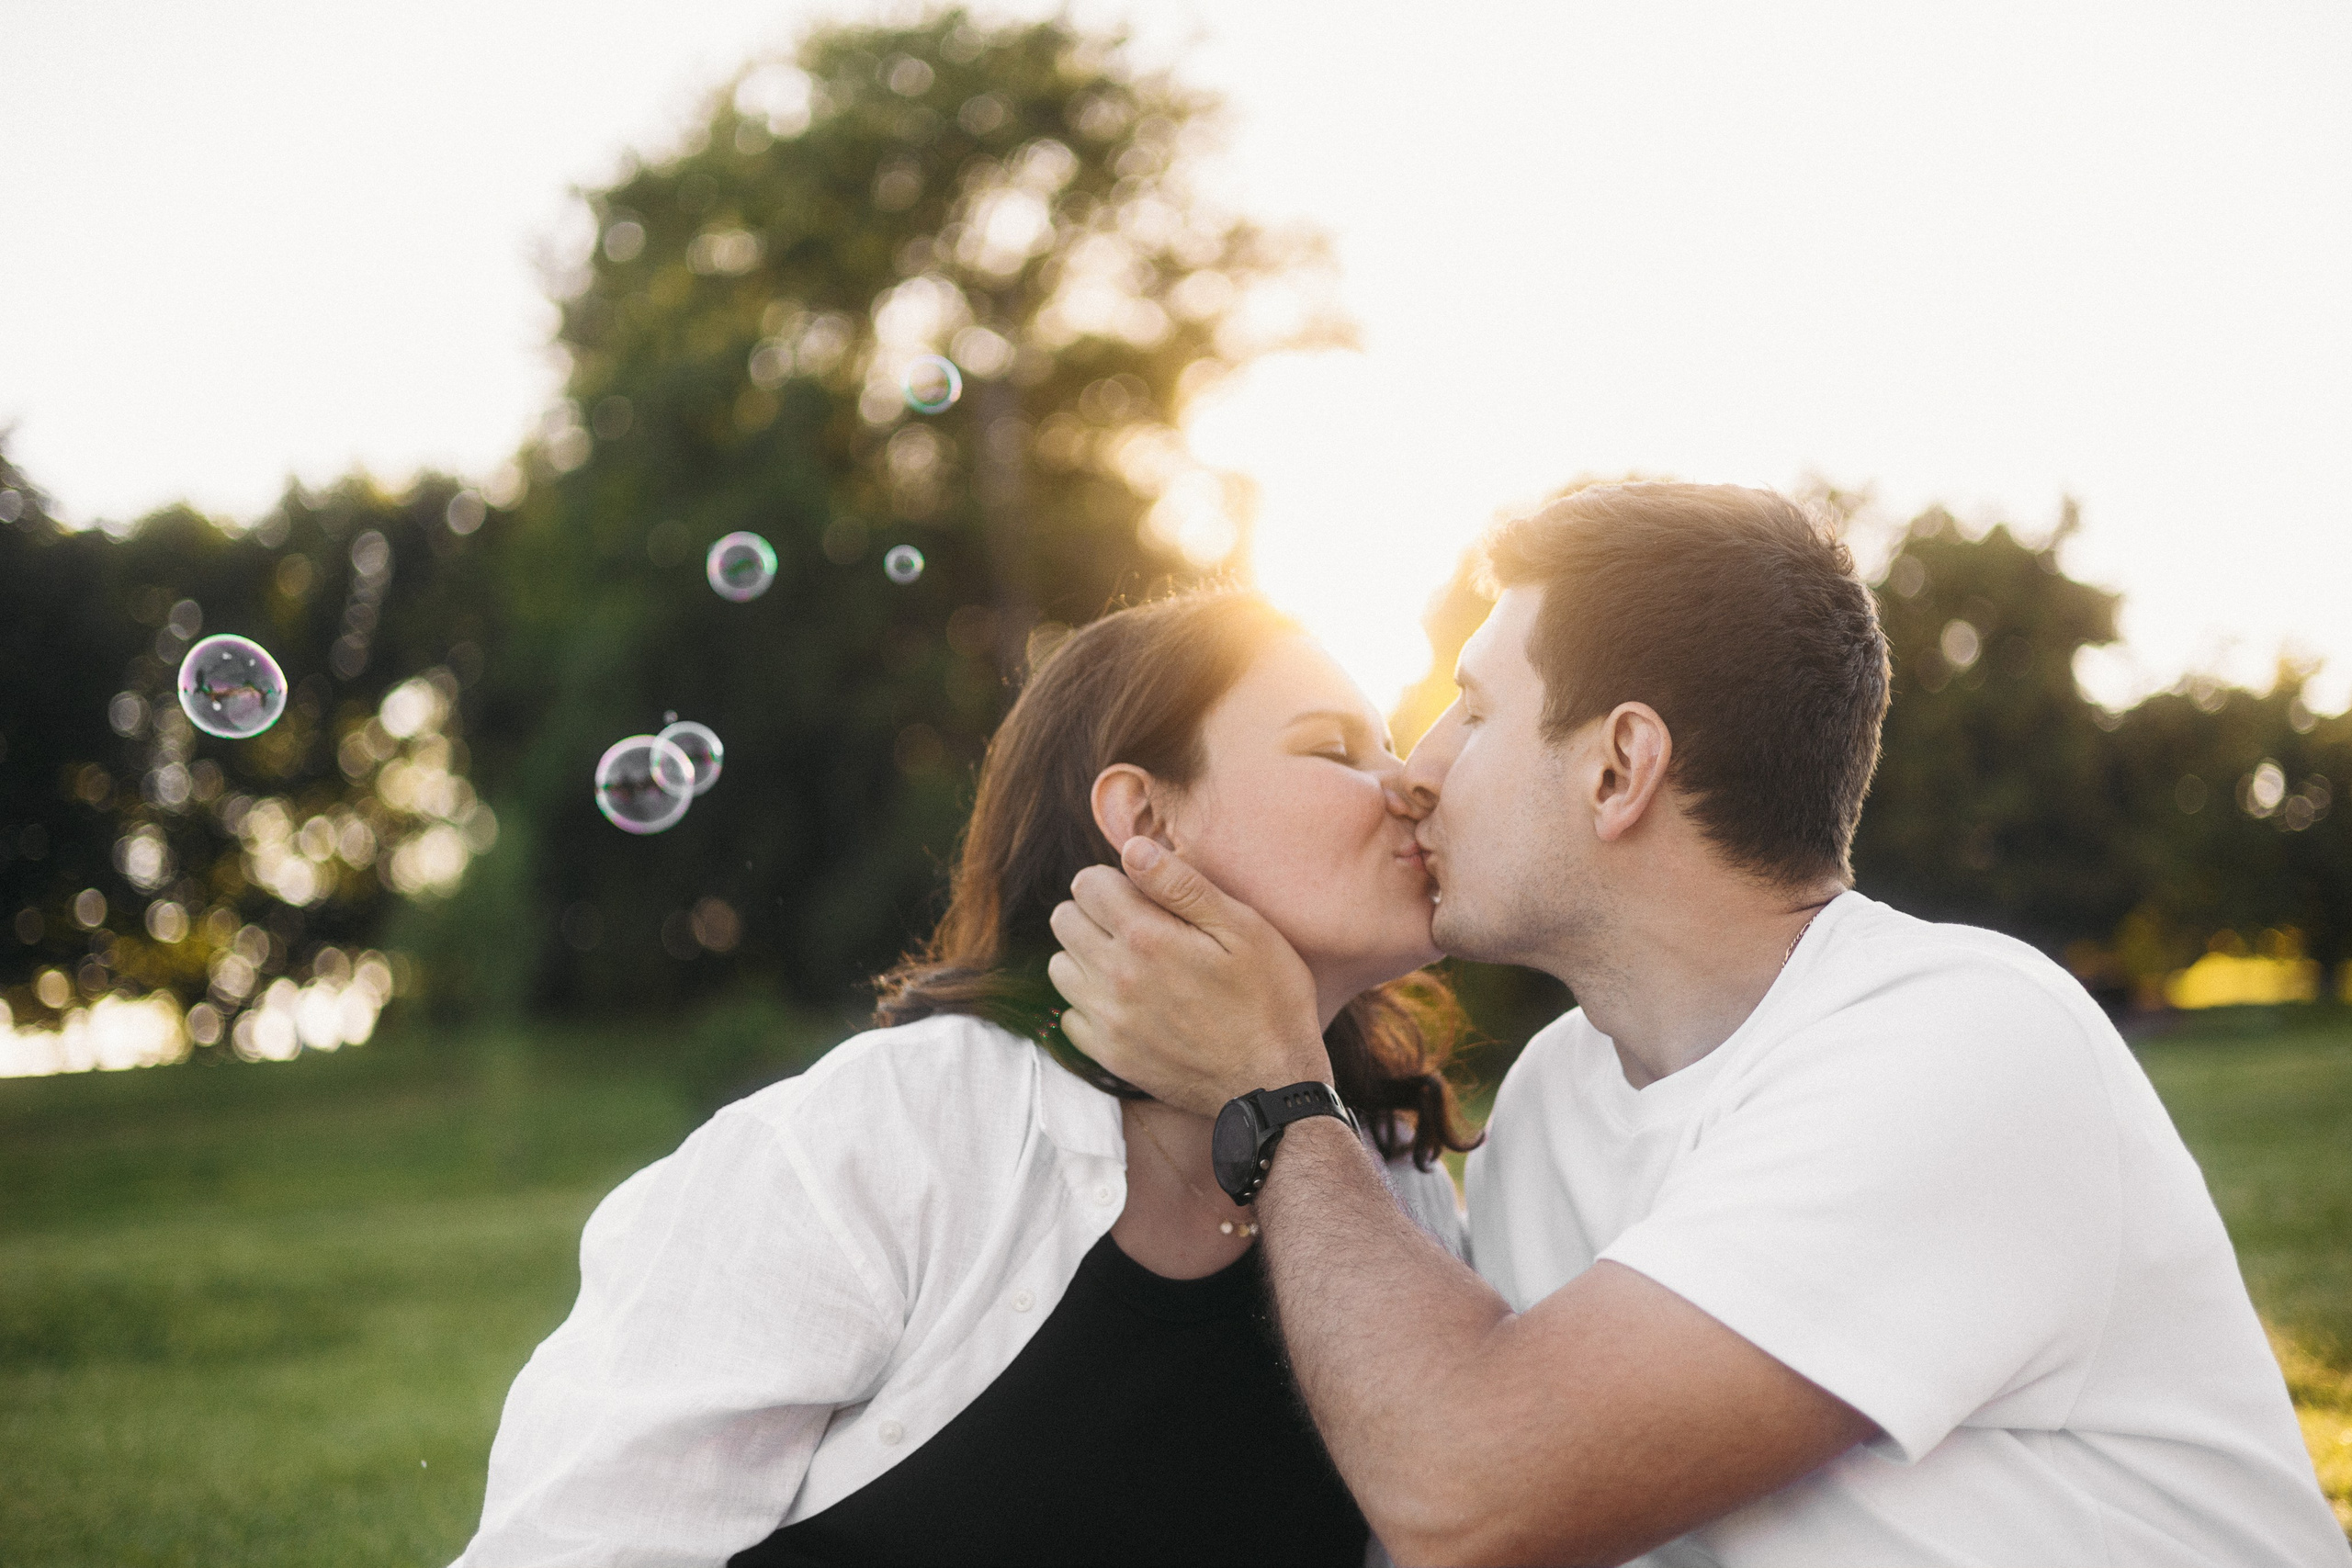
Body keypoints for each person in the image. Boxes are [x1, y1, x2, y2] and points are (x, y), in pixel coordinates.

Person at [1047, 482, 2350, 1567]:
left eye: (1477, 709)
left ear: (1621, 766)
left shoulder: (1957, 1040)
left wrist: (1275, 1089)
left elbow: (1469, 1488)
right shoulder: (1557, 1097)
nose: (1418, 767)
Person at [452, 590, 1476, 1568]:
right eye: (1335, 750)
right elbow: (586, 1543)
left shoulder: (1391, 1182)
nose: (1409, 782)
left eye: (1387, 742)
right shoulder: (886, 1137)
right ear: (1145, 819)